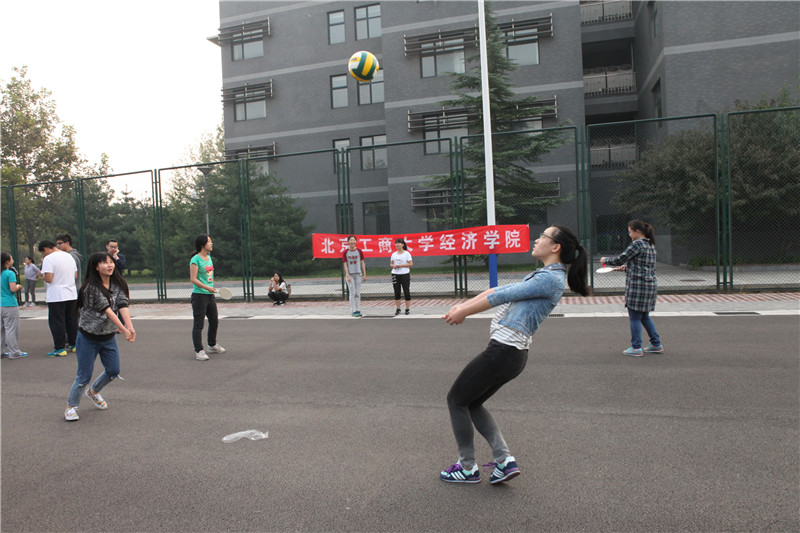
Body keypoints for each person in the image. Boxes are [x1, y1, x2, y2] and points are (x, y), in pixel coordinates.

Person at [439, 225, 589, 485]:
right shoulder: (544, 275)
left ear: (556, 247)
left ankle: (467, 468)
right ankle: (504, 461)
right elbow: (496, 290)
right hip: (509, 353)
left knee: (456, 399)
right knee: (471, 402)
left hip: (504, 351)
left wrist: (464, 312)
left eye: (543, 236)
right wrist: (463, 306)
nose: (537, 240)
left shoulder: (550, 279)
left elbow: (502, 296)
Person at [64, 252, 136, 421]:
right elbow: (107, 310)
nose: (109, 265)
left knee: (113, 370)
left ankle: (94, 391)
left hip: (108, 337)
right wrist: (123, 330)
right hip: (88, 337)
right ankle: (71, 407)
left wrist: (130, 327)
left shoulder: (117, 284)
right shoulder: (91, 288)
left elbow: (122, 304)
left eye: (111, 262)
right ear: (96, 267)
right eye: (104, 262)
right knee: (84, 376)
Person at [601, 219, 663, 357]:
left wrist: (605, 260)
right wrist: (626, 268)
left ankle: (636, 347)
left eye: (630, 232)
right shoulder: (650, 244)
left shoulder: (637, 244)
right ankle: (656, 344)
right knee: (645, 317)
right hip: (650, 285)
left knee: (634, 317)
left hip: (637, 286)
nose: (629, 235)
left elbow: (620, 258)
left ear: (637, 231)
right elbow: (643, 265)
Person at [38, 240, 78, 357]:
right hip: (71, 293)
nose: (44, 255)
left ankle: (60, 348)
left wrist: (42, 275)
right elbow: (75, 275)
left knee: (57, 322)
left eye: (43, 252)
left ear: (46, 249)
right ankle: (74, 344)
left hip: (56, 295)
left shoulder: (48, 259)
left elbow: (49, 278)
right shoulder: (69, 256)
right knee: (71, 320)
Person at [189, 234, 225, 361]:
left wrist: (211, 288)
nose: (211, 243)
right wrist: (206, 287)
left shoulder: (209, 258)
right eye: (209, 241)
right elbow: (193, 279)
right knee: (199, 324)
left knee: (214, 320)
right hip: (199, 296)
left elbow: (208, 277)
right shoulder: (195, 260)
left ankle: (212, 344)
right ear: (202, 245)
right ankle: (199, 351)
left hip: (210, 295)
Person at [1, 252, 28, 359]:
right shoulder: (9, 273)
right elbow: (12, 289)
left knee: (1, 330)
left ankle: (1, 351)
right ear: (7, 261)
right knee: (11, 329)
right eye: (11, 258)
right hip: (9, 304)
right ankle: (14, 352)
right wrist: (18, 286)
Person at [342, 236, 366, 317]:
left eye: (353, 240)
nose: (352, 242)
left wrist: (364, 274)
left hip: (358, 274)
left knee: (358, 293)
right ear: (348, 242)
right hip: (350, 275)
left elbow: (362, 263)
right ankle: (353, 310)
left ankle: (358, 309)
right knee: (352, 292)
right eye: (350, 240)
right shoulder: (346, 252)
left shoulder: (359, 251)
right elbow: (345, 264)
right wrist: (347, 275)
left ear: (356, 241)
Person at [390, 238, 413, 316]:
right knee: (397, 291)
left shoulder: (407, 254)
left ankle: (407, 308)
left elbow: (410, 264)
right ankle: (398, 308)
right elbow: (391, 264)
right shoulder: (394, 254)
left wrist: (401, 265)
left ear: (402, 244)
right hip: (395, 274)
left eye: (399, 243)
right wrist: (393, 266)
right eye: (396, 243)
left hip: (404, 274)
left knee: (406, 291)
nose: (397, 244)